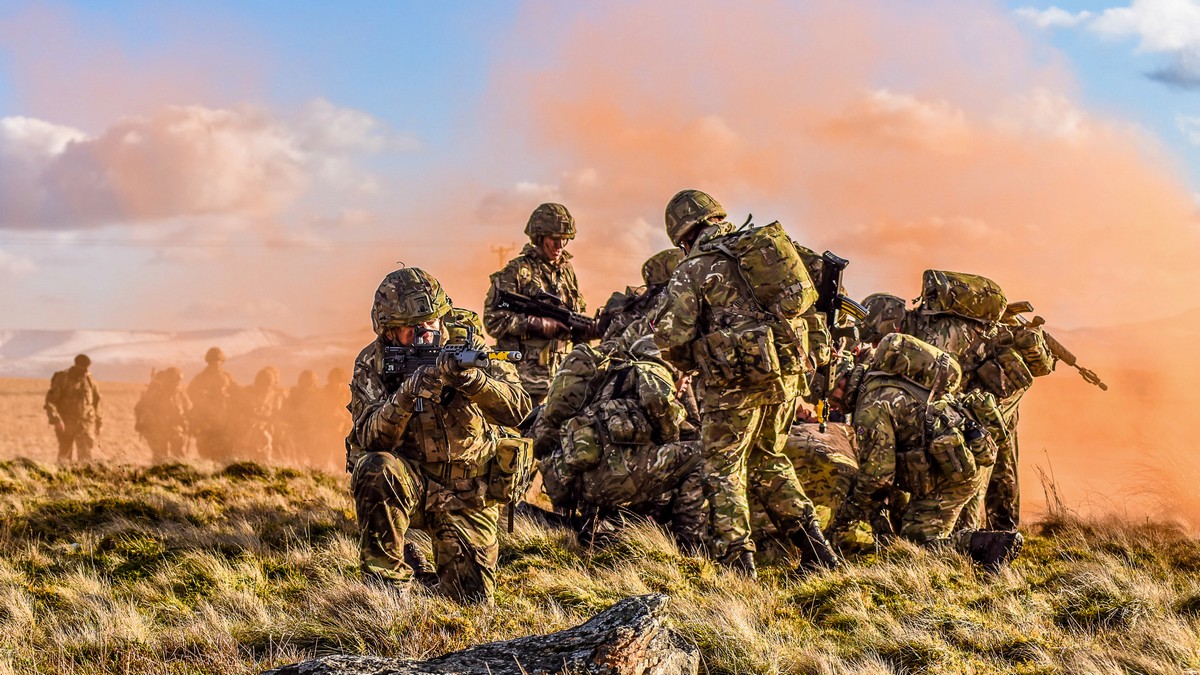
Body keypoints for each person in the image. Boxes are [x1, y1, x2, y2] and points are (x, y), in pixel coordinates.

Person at [649, 189, 839, 576]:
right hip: (785, 378)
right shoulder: (768, 247)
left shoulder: (695, 267)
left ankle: (739, 567)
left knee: (723, 470)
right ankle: (819, 554)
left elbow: (669, 335)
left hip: (732, 386)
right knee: (769, 460)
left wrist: (689, 359)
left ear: (683, 237)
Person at [348, 267, 532, 603]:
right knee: (376, 468)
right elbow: (370, 438)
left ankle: (421, 571)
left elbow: (519, 409)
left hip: (466, 491)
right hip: (413, 483)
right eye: (412, 329)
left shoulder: (470, 346)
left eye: (432, 323)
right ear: (389, 331)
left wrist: (473, 382)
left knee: (469, 603)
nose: (425, 335)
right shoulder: (372, 363)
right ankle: (389, 587)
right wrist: (405, 396)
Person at [826, 334, 1022, 568]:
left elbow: (878, 477)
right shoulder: (883, 379)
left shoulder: (870, 406)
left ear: (840, 383)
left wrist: (844, 517)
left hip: (951, 470)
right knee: (915, 532)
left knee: (916, 546)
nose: (832, 406)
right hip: (961, 455)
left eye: (830, 397)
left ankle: (992, 544)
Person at [535, 337, 706, 551]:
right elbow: (661, 408)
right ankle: (689, 546)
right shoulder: (653, 370)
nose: (688, 381)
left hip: (588, 482)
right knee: (705, 456)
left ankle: (575, 525)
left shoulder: (612, 377)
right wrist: (677, 434)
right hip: (617, 478)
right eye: (687, 374)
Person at [484, 203, 589, 406]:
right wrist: (536, 324)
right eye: (554, 239)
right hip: (524, 380)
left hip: (562, 379)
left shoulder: (566, 271)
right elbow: (492, 320)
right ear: (540, 238)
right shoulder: (517, 271)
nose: (560, 246)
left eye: (564, 240)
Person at [44, 354, 102, 463]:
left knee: (86, 459)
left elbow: (97, 402)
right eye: (83, 367)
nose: (85, 370)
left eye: (87, 368)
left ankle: (85, 479)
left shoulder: (89, 380)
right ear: (76, 365)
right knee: (65, 457)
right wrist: (56, 419)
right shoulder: (63, 378)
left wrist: (99, 422)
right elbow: (50, 401)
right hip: (66, 424)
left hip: (85, 425)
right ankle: (63, 478)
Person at [188, 347, 238, 462]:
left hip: (224, 422)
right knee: (206, 454)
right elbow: (191, 394)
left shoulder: (228, 378)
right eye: (213, 360)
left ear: (222, 361)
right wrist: (205, 395)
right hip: (205, 421)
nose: (215, 363)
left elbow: (237, 395)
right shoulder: (200, 378)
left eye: (218, 360)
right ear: (208, 361)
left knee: (225, 453)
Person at [134, 367, 191, 463]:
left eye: (179, 380)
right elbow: (140, 408)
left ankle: (178, 471)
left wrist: (186, 421)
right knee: (160, 457)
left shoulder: (179, 393)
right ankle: (159, 473)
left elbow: (188, 407)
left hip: (172, 428)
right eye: (176, 380)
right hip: (156, 429)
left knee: (178, 454)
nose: (178, 383)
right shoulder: (156, 393)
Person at [231, 366, 285, 462]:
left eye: (268, 384)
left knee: (264, 458)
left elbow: (277, 414)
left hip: (264, 433)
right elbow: (240, 411)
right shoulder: (248, 394)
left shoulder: (276, 396)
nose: (266, 387)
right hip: (247, 433)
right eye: (263, 384)